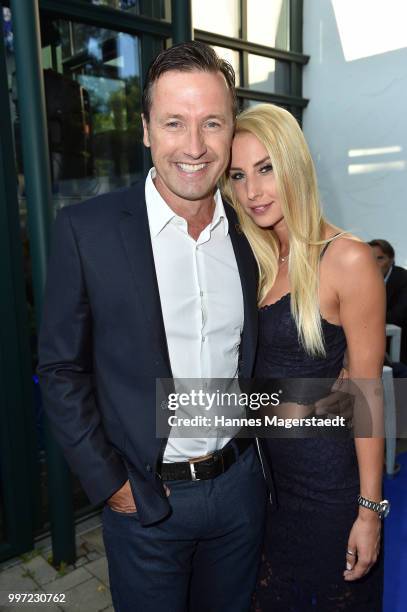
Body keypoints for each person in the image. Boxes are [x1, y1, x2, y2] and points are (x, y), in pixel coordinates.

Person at [37, 42, 268, 612]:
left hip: (240, 492)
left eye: (212, 123)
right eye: (174, 123)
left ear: (231, 128)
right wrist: (110, 484)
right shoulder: (85, 231)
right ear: (145, 130)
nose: (194, 147)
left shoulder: (253, 236)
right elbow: (60, 368)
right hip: (146, 501)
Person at [222, 103, 387, 611]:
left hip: (330, 492)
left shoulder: (347, 258)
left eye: (266, 168)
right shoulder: (251, 262)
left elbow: (366, 395)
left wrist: (369, 511)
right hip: (267, 490)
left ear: (294, 164)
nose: (253, 191)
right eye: (238, 175)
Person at [369, 238, 407, 364]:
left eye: (380, 258)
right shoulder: (364, 280)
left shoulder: (403, 279)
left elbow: (398, 315)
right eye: (370, 259)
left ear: (391, 260)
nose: (374, 264)